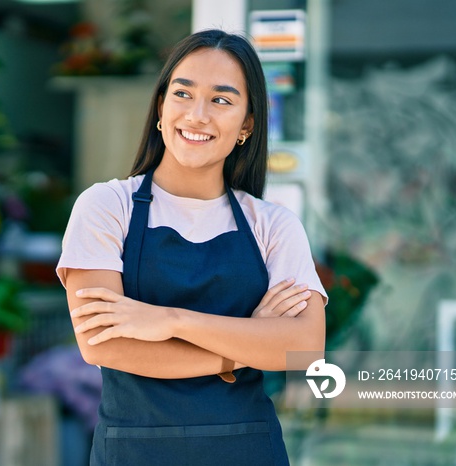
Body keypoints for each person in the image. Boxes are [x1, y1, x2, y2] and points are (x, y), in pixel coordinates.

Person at [56, 29, 327, 466]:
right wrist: (241, 349)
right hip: (135, 452)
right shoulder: (107, 206)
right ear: (161, 108)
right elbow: (103, 345)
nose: (197, 115)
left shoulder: (273, 225)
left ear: (247, 125)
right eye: (183, 93)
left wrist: (168, 320)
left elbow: (304, 347)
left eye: (222, 100)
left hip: (247, 449)